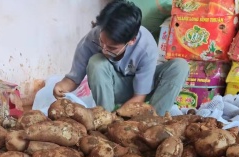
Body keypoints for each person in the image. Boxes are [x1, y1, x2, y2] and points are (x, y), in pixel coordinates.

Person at [53, 0, 189, 116]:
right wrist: (61, 87)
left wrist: (118, 116)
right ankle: (103, 119)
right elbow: (73, 77)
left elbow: (139, 96)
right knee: (96, 62)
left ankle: (153, 121)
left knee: (179, 66)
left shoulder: (146, 47)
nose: (104, 49)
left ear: (131, 40)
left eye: (112, 48)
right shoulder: (93, 37)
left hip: (141, 91)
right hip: (112, 88)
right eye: (102, 42)